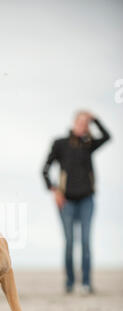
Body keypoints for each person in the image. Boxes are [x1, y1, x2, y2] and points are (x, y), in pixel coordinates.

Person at [42, 111, 111, 293]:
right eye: (80, 122)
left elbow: (107, 136)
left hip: (87, 199)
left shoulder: (88, 144)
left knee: (86, 241)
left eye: (86, 123)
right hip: (66, 201)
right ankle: (70, 282)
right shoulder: (60, 144)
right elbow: (45, 169)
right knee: (70, 241)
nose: (83, 126)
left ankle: (87, 283)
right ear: (74, 123)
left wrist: (95, 119)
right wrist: (54, 190)